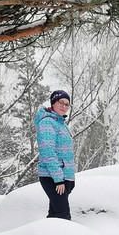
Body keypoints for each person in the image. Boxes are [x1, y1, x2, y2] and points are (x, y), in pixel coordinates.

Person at [34, 90, 76, 219]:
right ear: (53, 103)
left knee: (55, 216)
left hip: (63, 177)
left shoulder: (60, 124)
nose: (64, 106)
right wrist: (58, 179)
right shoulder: (47, 122)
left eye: (67, 104)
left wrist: (70, 178)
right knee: (62, 216)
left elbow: (65, 153)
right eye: (61, 102)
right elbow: (48, 152)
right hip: (52, 176)